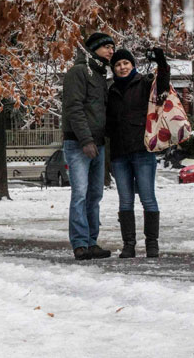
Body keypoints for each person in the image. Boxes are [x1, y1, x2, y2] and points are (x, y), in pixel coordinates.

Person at [106, 47, 170, 258]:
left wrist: (161, 62)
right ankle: (129, 244)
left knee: (147, 197)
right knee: (125, 200)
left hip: (142, 151)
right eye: (117, 64)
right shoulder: (111, 91)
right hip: (119, 154)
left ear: (132, 65)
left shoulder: (144, 83)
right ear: (113, 69)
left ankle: (152, 243)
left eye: (125, 63)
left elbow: (162, 88)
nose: (122, 67)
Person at [62, 32, 115, 261]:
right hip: (79, 143)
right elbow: (74, 108)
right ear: (93, 49)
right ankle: (80, 244)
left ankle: (92, 241)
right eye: (106, 47)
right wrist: (85, 140)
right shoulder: (79, 72)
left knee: (95, 195)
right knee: (81, 194)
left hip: (98, 144)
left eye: (113, 47)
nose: (111, 51)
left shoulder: (101, 75)